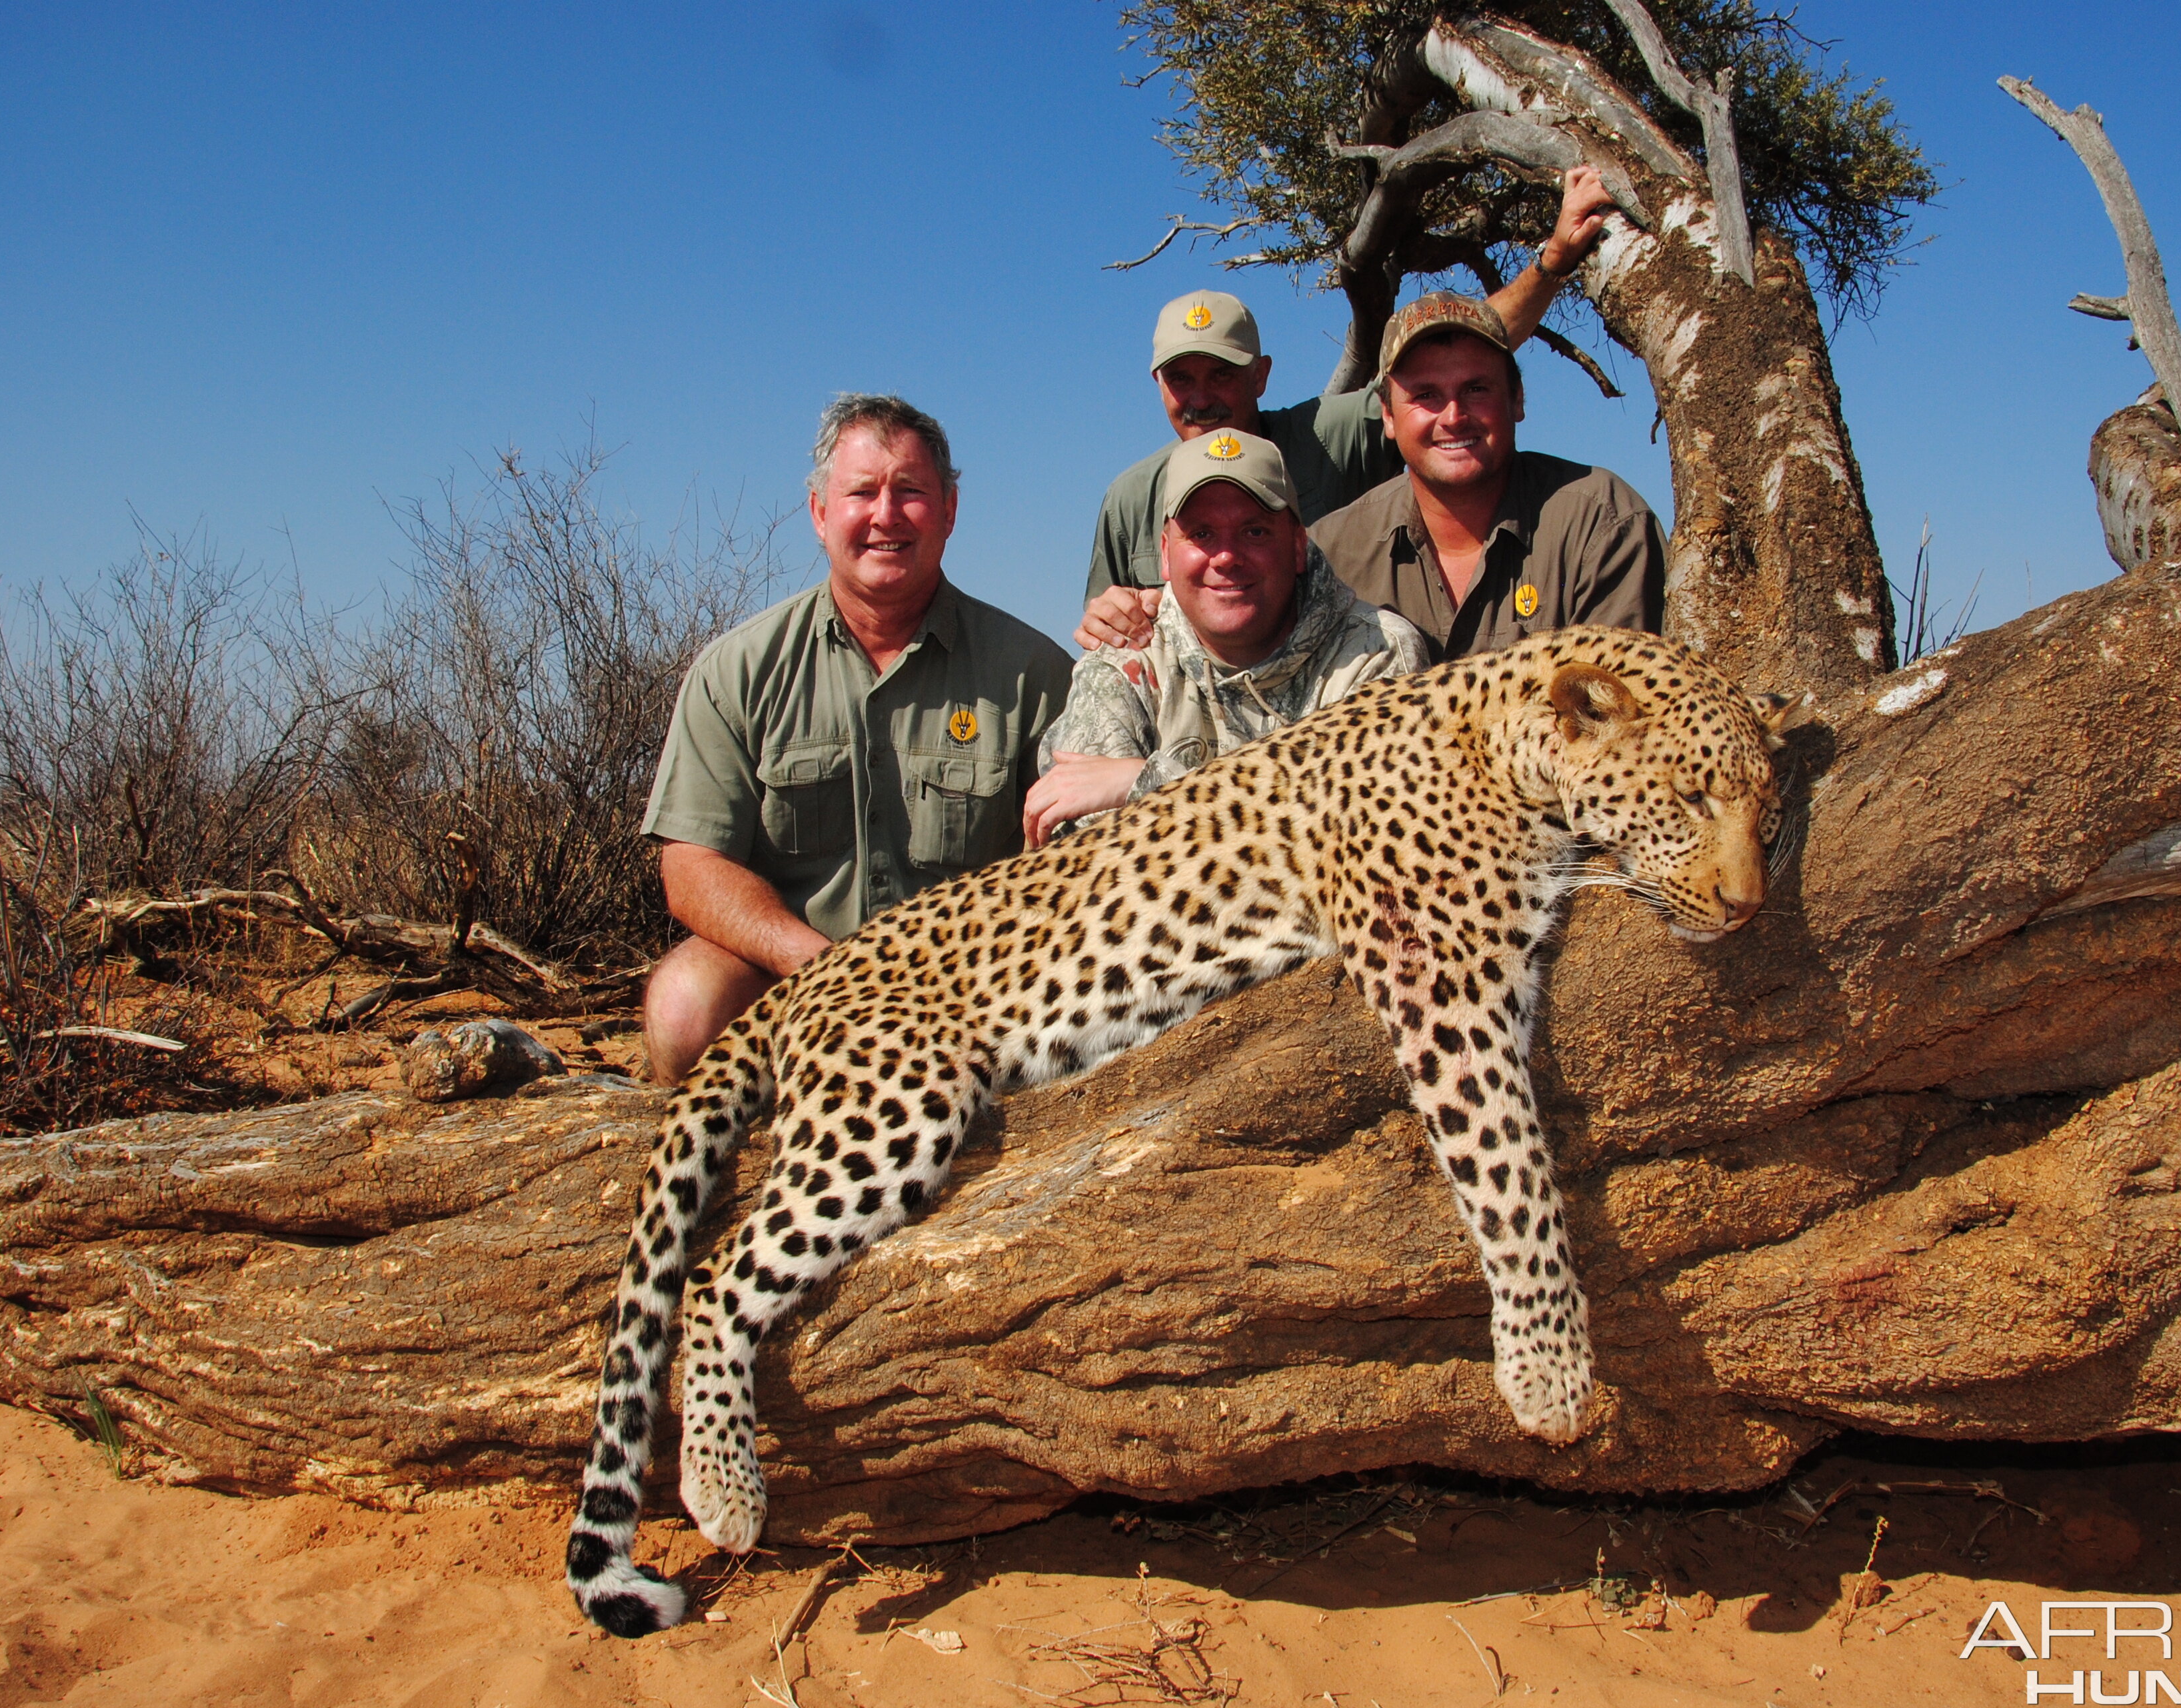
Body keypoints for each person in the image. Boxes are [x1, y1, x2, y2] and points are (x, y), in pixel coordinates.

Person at [637, 394, 1073, 1083]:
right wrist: (822, 968)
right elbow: (691, 869)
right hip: (791, 976)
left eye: (910, 492)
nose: (885, 516)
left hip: (969, 987)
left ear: (950, 509)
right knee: (685, 1009)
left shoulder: (1035, 673)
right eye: (861, 492)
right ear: (818, 513)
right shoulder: (737, 671)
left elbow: (1071, 870)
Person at [1077, 165, 1621, 651]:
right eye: (1180, 379)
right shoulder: (1129, 499)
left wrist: (1553, 261)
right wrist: (1108, 621)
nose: (1201, 397)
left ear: (1261, 376)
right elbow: (1106, 630)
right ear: (1156, 382)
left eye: (1222, 374)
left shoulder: (1329, 435)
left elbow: (1440, 370)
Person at [1025, 429, 1426, 843]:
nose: (1227, 557)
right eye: (1201, 535)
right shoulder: (1123, 660)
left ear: (1296, 545)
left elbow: (1364, 839)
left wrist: (1144, 782)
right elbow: (1091, 857)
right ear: (1165, 553)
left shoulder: (1378, 653)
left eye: (1254, 532)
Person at [1307, 291, 1665, 661]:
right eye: (1426, 394)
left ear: (1517, 399)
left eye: (1476, 389)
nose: (1453, 416)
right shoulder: (1330, 553)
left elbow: (1619, 705)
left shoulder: (1603, 523)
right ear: (1387, 415)